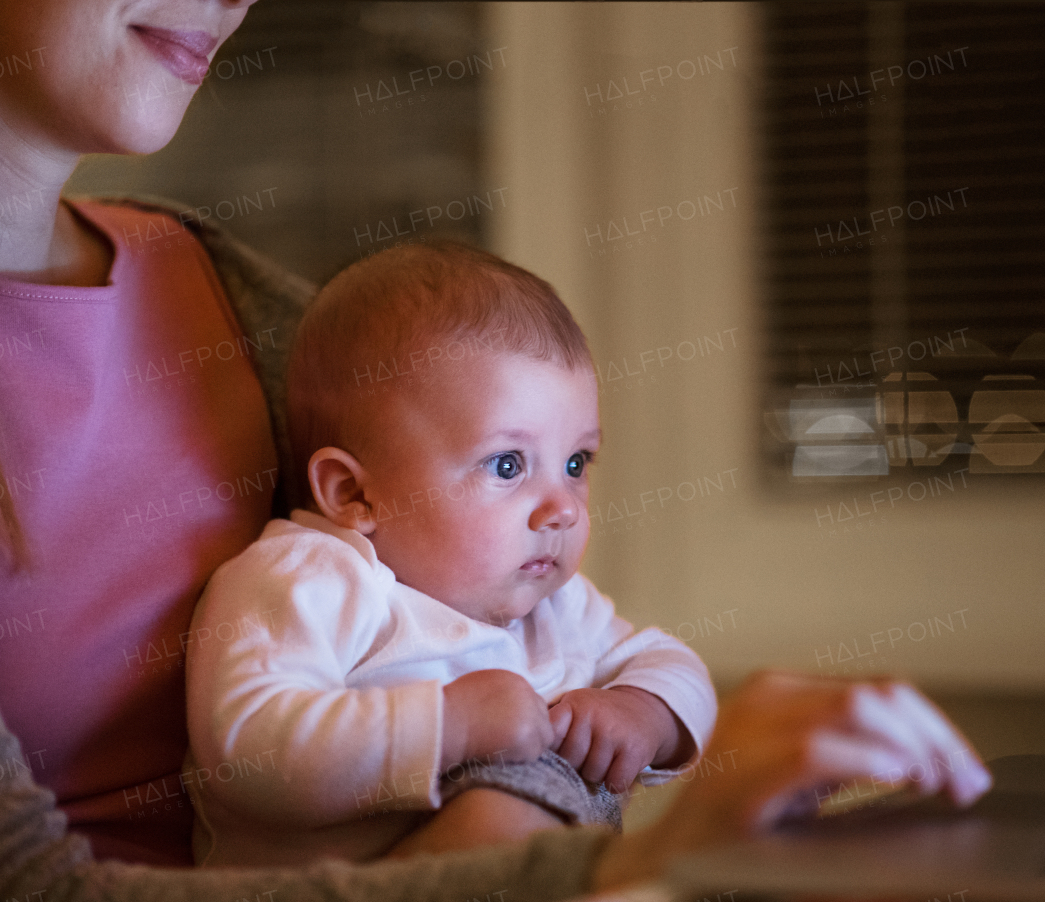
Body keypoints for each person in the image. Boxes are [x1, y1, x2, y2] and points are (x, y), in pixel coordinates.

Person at [0, 0, 993, 899]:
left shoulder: (239, 307)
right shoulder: (303, 565)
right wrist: (633, 855)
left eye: (576, 461)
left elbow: (532, 644)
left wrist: (654, 742)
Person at [183, 243, 718, 866]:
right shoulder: (306, 580)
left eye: (576, 463)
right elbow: (250, 750)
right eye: (508, 465)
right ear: (356, 494)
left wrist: (644, 712)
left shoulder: (556, 604)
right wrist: (448, 727)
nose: (564, 508)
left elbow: (675, 666)